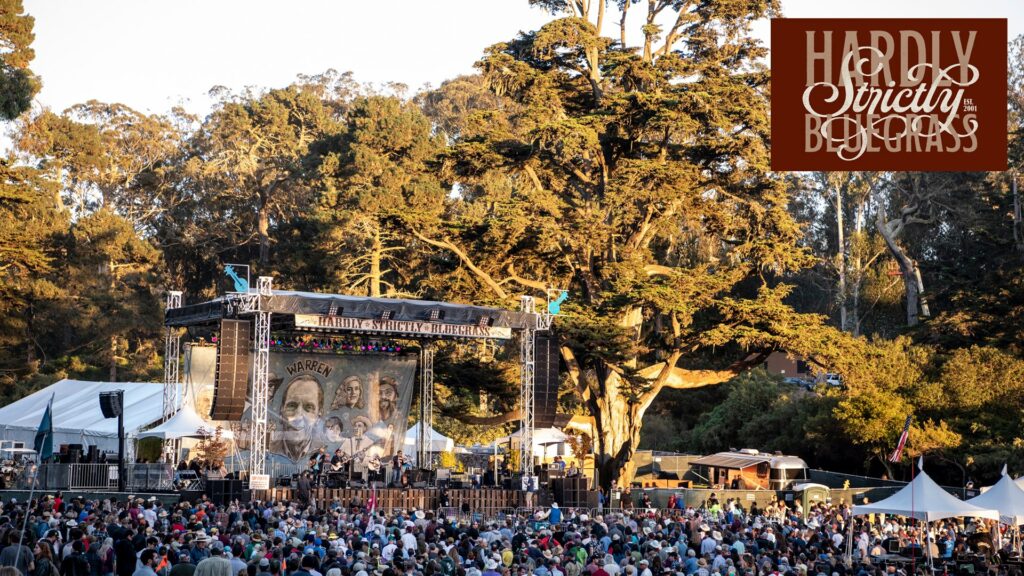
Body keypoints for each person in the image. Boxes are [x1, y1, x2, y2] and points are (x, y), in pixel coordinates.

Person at [272, 375, 325, 463]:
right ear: (281, 412)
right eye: (292, 406)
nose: (298, 416)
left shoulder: (322, 449)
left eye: (309, 407)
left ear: (319, 416)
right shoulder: (271, 450)